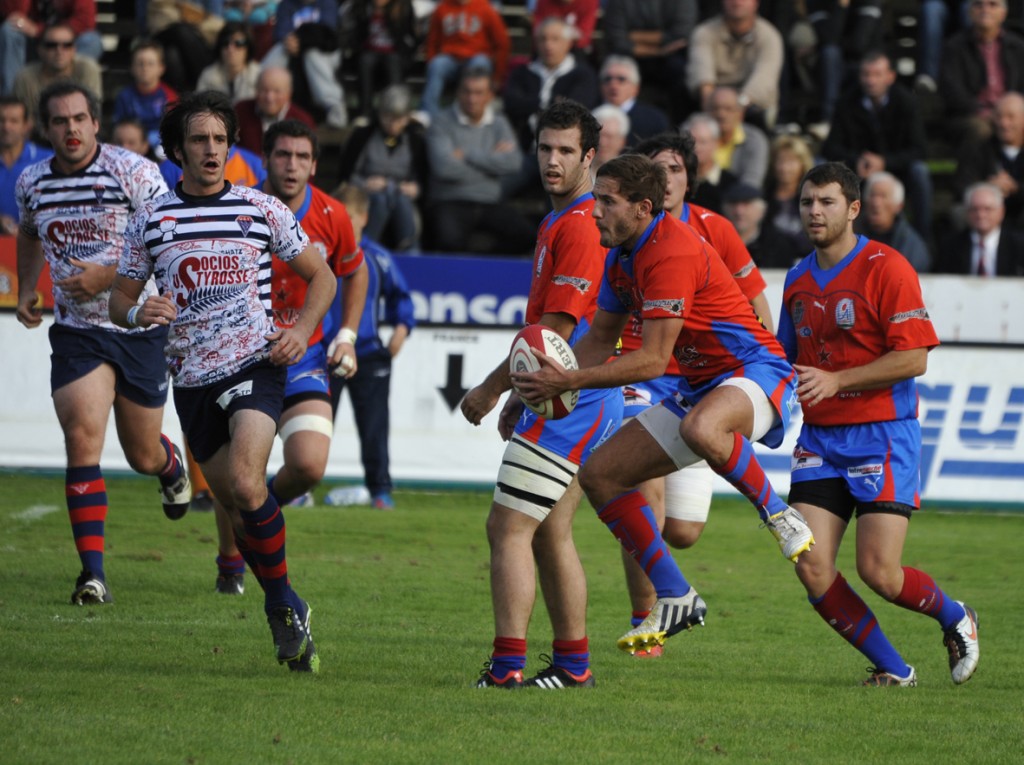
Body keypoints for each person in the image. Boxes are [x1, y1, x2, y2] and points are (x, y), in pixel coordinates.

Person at [511, 153, 814, 657]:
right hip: (699, 388)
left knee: (701, 429)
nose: (595, 212)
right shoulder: (620, 256)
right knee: (602, 475)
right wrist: (548, 385)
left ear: (642, 207)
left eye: (607, 202)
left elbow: (651, 360)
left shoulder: (670, 250)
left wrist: (571, 379)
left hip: (756, 372)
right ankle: (674, 593)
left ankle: (779, 514)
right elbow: (599, 341)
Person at [110, 91, 336, 671]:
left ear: (231, 145)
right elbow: (120, 299)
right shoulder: (152, 219)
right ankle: (288, 604)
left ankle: (280, 606)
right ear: (177, 150)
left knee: (246, 481)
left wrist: (302, 330)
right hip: (191, 380)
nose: (211, 149)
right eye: (199, 140)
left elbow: (324, 278)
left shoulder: (260, 209)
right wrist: (139, 314)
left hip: (256, 365)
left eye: (219, 139)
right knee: (237, 507)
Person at [778, 160, 980, 687]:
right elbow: (784, 355)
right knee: (810, 564)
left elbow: (914, 358)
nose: (814, 212)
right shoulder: (798, 277)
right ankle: (894, 669)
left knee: (879, 573)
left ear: (853, 208)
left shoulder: (886, 267)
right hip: (820, 438)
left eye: (825, 202)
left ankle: (955, 616)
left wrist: (838, 381)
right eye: (806, 202)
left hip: (882, 433)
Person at [461, 99, 623, 689]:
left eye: (565, 151)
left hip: (574, 399)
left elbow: (556, 330)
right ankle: (573, 666)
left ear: (589, 157)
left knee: (507, 528)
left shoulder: (581, 224)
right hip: (566, 393)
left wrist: (488, 388)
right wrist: (521, 391)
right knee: (550, 529)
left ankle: (506, 669)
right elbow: (548, 339)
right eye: (544, 148)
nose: (552, 161)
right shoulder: (561, 219)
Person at [14, 81, 190, 606]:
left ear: (95, 123)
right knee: (82, 436)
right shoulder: (32, 183)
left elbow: (169, 234)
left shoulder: (132, 171)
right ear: (46, 130)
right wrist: (27, 287)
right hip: (77, 333)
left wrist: (108, 278)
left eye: (79, 119)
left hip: (138, 324)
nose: (70, 129)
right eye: (60, 122)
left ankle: (168, 464)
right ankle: (93, 575)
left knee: (140, 454)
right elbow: (27, 232)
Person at [613, 133, 775, 656]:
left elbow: (756, 307)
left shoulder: (714, 230)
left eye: (675, 169)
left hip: (704, 381)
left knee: (682, 531)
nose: (666, 178)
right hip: (643, 370)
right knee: (641, 488)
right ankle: (652, 618)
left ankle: (670, 579)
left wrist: (758, 374)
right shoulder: (620, 234)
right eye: (656, 169)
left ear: (688, 178)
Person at [324, 184, 415, 510]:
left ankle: (380, 492)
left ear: (364, 217)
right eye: (339, 216)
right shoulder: (319, 254)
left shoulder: (377, 258)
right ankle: (300, 484)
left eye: (350, 217)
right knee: (315, 425)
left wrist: (402, 329)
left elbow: (402, 298)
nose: (345, 223)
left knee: (374, 426)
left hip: (368, 353)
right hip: (325, 353)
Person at [822, 50, 932, 242]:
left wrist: (885, 162)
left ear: (890, 77)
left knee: (919, 171)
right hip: (858, 172)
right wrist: (858, 161)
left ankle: (924, 239)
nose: (870, 80)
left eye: (877, 74)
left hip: (898, 172)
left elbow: (920, 150)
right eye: (866, 74)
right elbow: (830, 147)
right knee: (823, 168)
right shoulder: (847, 101)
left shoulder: (907, 102)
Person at [424, 67, 535, 255]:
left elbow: (514, 163)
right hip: (450, 200)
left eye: (478, 93)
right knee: (448, 241)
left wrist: (467, 155)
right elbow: (444, 168)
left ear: (490, 95)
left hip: (489, 202)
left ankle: (486, 271)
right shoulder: (441, 122)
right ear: (458, 92)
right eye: (466, 91)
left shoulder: (499, 122)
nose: (472, 98)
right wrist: (491, 164)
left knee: (528, 236)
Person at [338, 84, 428, 252]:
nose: (392, 124)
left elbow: (422, 178)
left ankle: (409, 250)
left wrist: (415, 188)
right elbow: (347, 175)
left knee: (397, 198)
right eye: (387, 117)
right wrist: (365, 183)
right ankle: (368, 249)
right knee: (381, 198)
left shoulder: (416, 139)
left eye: (399, 119)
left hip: (403, 199)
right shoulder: (363, 135)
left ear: (408, 118)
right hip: (367, 196)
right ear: (379, 114)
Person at [503, 16, 600, 153]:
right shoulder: (521, 73)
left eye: (555, 39)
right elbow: (511, 104)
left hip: (565, 150)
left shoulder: (583, 74)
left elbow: (577, 112)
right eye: (543, 39)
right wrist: (551, 102)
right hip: (523, 147)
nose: (548, 45)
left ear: (568, 43)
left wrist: (531, 105)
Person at [687, 0, 785, 129]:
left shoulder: (770, 36)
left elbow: (764, 80)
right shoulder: (704, 32)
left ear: (756, 3)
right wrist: (715, 108)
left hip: (750, 104)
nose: (737, 1)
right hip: (712, 102)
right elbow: (702, 74)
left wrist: (736, 107)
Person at [940, 0, 1024, 145]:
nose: (985, 9)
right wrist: (986, 113)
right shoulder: (954, 47)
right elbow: (951, 91)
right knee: (981, 129)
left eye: (993, 4)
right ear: (970, 12)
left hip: (1013, 114)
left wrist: (1011, 113)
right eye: (978, 4)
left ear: (1003, 14)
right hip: (971, 116)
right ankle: (983, 168)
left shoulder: (1018, 46)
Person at [261, 0, 348, 128]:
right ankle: (255, 92)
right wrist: (291, 41)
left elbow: (327, 33)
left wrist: (302, 40)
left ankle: (334, 108)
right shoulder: (286, 4)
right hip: (292, 49)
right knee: (280, 49)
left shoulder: (328, 3)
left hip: (324, 54)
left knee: (311, 54)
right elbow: (280, 33)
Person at [601, 0, 695, 118]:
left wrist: (633, 36)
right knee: (614, 70)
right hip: (629, 56)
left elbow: (681, 34)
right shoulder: (619, 3)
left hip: (671, 59)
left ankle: (679, 124)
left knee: (682, 71)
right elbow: (617, 39)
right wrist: (659, 51)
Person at [421, 0, 511, 118]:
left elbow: (502, 43)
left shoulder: (485, 8)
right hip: (450, 59)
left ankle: (472, 112)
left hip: (476, 58)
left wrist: (497, 76)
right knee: (437, 64)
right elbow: (432, 42)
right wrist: (431, 61)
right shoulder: (442, 8)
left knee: (480, 62)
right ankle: (427, 115)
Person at [955, 90, 1024, 232]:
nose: (1004, 123)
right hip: (986, 218)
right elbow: (961, 185)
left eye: (1011, 117)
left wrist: (1015, 188)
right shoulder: (978, 148)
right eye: (999, 117)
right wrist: (989, 187)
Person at [0, 0, 102, 96]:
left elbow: (86, 20)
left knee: (92, 41)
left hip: (65, 43)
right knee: (10, 30)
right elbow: (14, 14)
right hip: (34, 46)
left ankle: (71, 91)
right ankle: (11, 101)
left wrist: (38, 30)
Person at [12, 23, 101, 130]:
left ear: (74, 49)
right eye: (51, 45)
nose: (59, 50)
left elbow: (92, 114)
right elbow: (23, 120)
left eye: (66, 45)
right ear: (40, 49)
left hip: (78, 133)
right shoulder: (25, 77)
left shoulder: (87, 69)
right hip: (37, 136)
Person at [346, 0, 419, 119]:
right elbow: (356, 35)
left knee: (393, 63)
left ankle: (395, 111)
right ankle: (365, 113)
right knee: (365, 62)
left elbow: (409, 36)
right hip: (370, 50)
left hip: (394, 52)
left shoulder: (402, 6)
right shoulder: (362, 6)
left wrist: (390, 19)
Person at [936, 181, 1024, 275]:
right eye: (975, 209)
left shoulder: (1019, 246)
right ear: (967, 212)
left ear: (1001, 212)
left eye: (987, 209)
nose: (981, 215)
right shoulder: (951, 246)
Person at [112, 38, 178, 155]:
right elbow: (118, 128)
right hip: (130, 148)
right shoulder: (124, 96)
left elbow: (173, 132)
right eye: (140, 63)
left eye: (150, 63)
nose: (145, 68)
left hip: (160, 150)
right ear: (132, 67)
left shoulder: (170, 96)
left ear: (161, 68)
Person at [857, 172, 931, 273]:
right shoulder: (849, 235)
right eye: (872, 195)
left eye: (883, 196)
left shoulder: (912, 246)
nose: (876, 203)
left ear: (898, 206)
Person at [722, 180, 804, 269]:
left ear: (762, 210)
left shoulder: (780, 245)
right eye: (733, 204)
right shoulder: (713, 243)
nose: (739, 212)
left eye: (747, 204)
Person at [234, 67, 315, 155]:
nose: (269, 98)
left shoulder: (302, 121)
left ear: (289, 94)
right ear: (256, 90)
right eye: (264, 90)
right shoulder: (240, 112)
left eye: (277, 91)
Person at [0, 95, 51, 235]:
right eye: (1, 120)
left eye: (14, 121)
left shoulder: (48, 160)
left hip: (38, 248)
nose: (6, 126)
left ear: (27, 125)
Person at [597, 55, 669, 144]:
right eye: (607, 79)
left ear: (636, 87)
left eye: (621, 79)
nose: (613, 84)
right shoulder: (589, 115)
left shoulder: (654, 120)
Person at [709, 85, 769, 189]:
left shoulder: (755, 140)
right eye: (716, 108)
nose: (721, 114)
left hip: (738, 202)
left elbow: (751, 184)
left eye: (728, 109)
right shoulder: (693, 135)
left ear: (740, 113)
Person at [765, 133, 814, 257]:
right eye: (781, 161)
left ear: (802, 164)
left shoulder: (812, 199)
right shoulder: (765, 197)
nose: (785, 168)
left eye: (791, 162)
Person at [682, 111, 737, 212]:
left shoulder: (731, 184)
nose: (696, 147)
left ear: (715, 144)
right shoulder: (678, 182)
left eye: (703, 142)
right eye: (691, 142)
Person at [196, 22, 262, 105]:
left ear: (248, 48)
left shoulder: (259, 75)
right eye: (225, 43)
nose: (230, 49)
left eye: (238, 43)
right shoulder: (208, 75)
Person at [531, 0, 599, 54]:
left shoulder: (589, 1)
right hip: (548, 46)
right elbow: (538, 31)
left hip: (576, 49)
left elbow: (584, 36)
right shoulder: (544, 1)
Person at [590, 103, 629, 173]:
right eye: (599, 136)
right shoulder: (576, 173)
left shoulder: (629, 178)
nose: (602, 143)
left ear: (622, 141)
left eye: (609, 137)